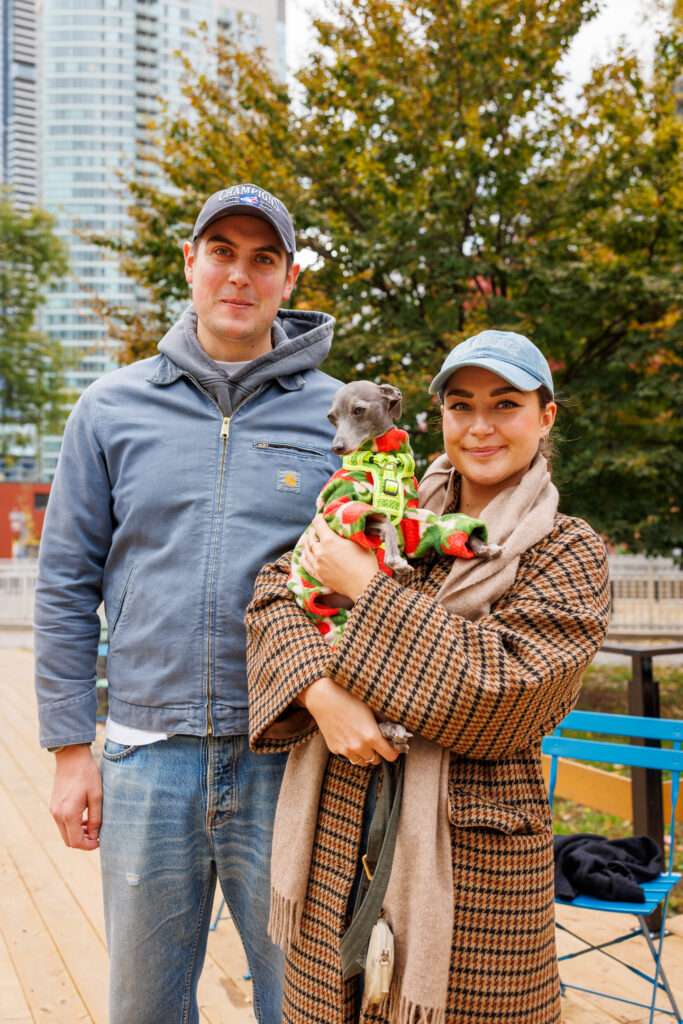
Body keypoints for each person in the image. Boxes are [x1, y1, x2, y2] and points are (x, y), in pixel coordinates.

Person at [34, 183, 341, 1024]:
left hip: (291, 755)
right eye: (221, 253)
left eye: (263, 258)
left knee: (304, 1005)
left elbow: (377, 584)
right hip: (146, 756)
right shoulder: (109, 407)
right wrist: (69, 746)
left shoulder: (340, 415)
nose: (239, 275)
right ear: (191, 264)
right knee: (144, 1010)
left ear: (288, 277)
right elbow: (65, 580)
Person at [245, 330, 610, 1024]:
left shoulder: (568, 550)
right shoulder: (392, 507)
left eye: (504, 405)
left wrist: (363, 587)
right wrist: (322, 698)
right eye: (460, 404)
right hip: (336, 838)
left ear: (545, 415)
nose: (478, 427)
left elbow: (504, 693)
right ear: (437, 414)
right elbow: (272, 595)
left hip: (470, 865)